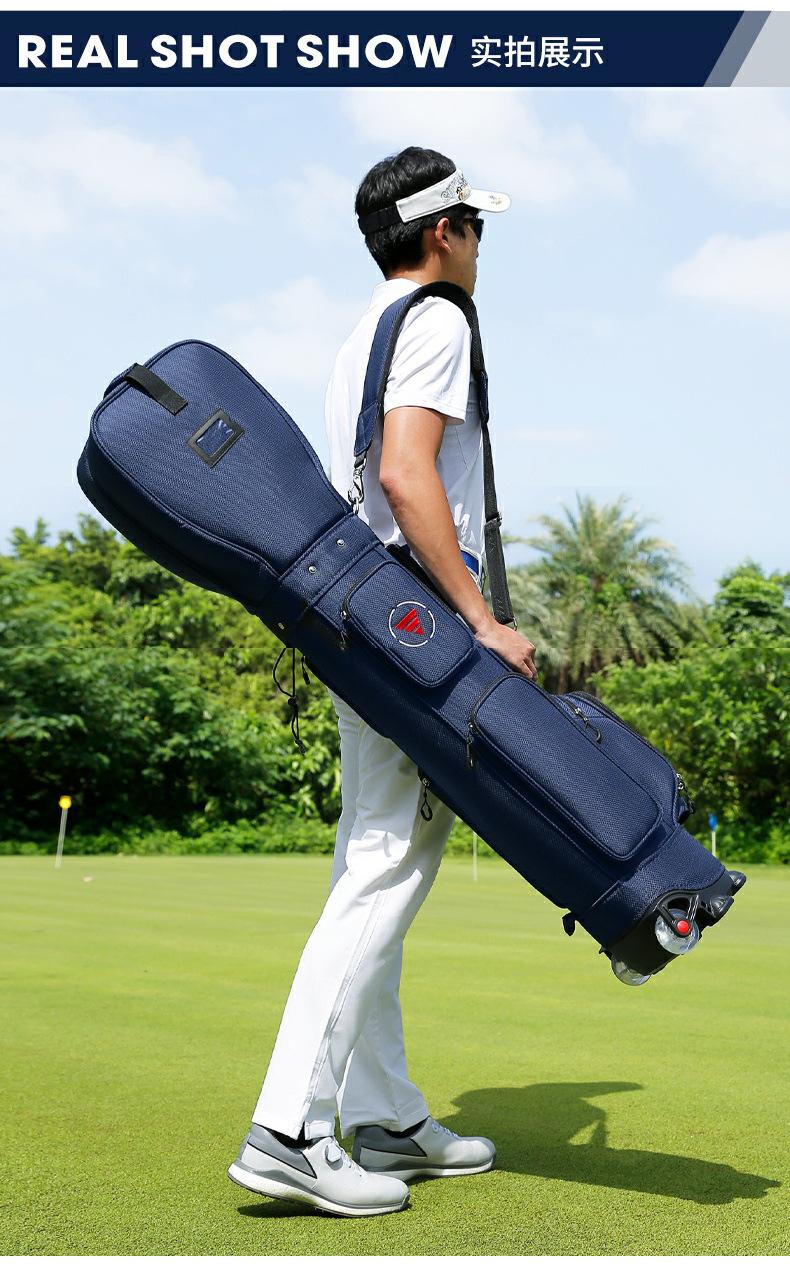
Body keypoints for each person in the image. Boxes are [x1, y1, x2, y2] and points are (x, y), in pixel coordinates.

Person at [228, 146, 538, 1217]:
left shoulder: (366, 327)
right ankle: (290, 1127)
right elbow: (408, 475)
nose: (481, 245)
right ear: (443, 231)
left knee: (375, 857)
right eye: (475, 225)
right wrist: (480, 620)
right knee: (385, 867)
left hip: (362, 619)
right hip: (413, 626)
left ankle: (387, 1113)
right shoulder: (439, 318)